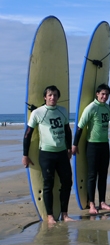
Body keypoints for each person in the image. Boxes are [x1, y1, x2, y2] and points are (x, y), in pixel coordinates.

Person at [22, 85, 75, 224]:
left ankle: (65, 214)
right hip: (46, 154)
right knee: (48, 184)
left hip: (62, 153)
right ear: (45, 97)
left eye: (55, 95)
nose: (53, 97)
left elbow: (67, 130)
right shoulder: (38, 113)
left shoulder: (63, 111)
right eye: (50, 95)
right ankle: (50, 216)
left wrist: (69, 148)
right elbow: (28, 134)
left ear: (58, 97)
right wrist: (25, 155)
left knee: (67, 182)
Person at [72, 83, 110, 214]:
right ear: (97, 94)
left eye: (107, 95)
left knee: (103, 175)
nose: (104, 96)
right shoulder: (91, 108)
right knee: (92, 176)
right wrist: (74, 144)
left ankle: (102, 202)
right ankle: (92, 204)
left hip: (104, 145)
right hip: (92, 145)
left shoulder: (107, 108)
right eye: (102, 94)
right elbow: (80, 127)